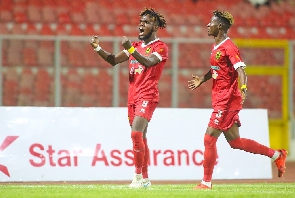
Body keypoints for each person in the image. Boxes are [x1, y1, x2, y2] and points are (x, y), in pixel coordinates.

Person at [188, 10, 287, 189]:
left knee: (209, 139)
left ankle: (206, 182)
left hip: (227, 101)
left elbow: (241, 70)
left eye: (211, 23)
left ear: (219, 26)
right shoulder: (216, 46)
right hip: (220, 99)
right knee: (235, 142)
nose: (207, 25)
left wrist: (243, 88)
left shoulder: (229, 47)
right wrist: (203, 79)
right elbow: (217, 69)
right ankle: (277, 155)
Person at [90, 8, 168, 188]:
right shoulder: (136, 46)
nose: (141, 25)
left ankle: (137, 178)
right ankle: (146, 179)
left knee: (135, 134)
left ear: (155, 25)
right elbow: (112, 60)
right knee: (141, 137)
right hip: (132, 97)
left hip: (147, 95)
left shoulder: (160, 47)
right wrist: (98, 48)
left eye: (146, 22)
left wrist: (131, 49)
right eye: (141, 22)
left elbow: (148, 62)